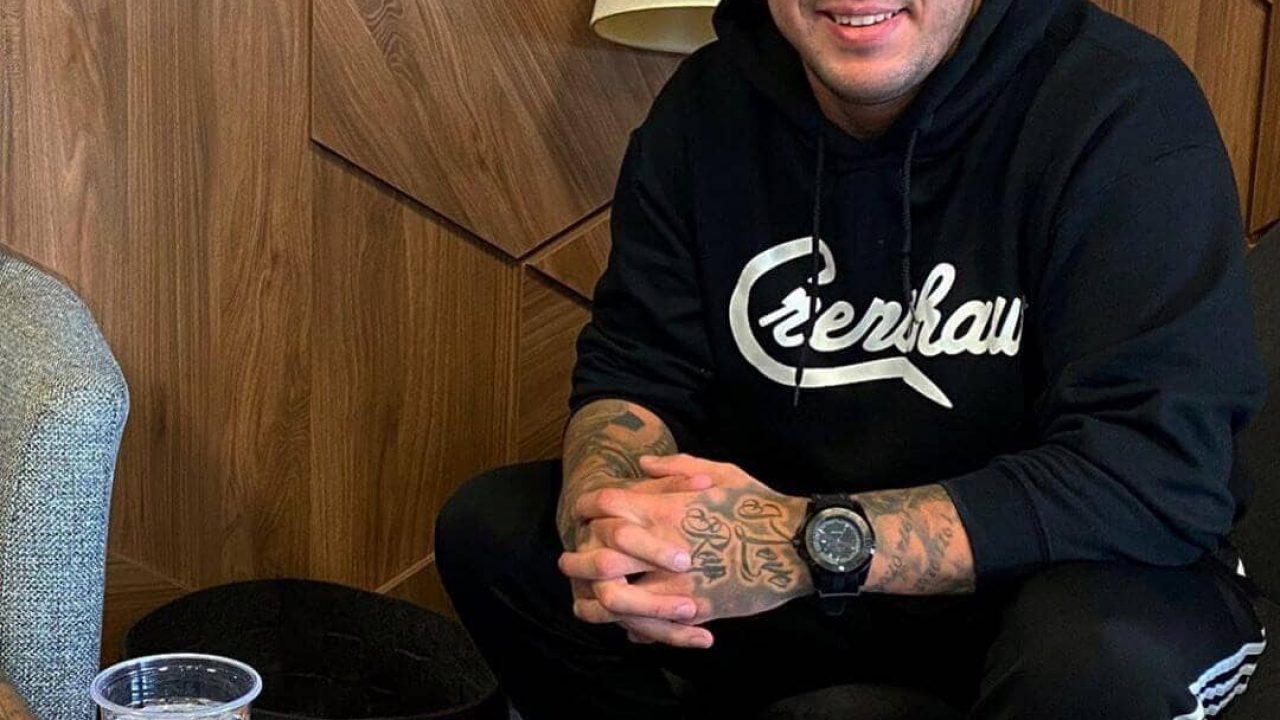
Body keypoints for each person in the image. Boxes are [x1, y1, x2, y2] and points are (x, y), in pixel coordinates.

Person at [436, 0, 1268, 717]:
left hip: (1053, 585)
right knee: (500, 533)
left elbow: (1151, 471)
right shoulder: (705, 107)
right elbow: (636, 371)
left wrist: (806, 544)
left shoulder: (1122, 106)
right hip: (801, 584)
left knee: (1094, 659)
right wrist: (611, 531)